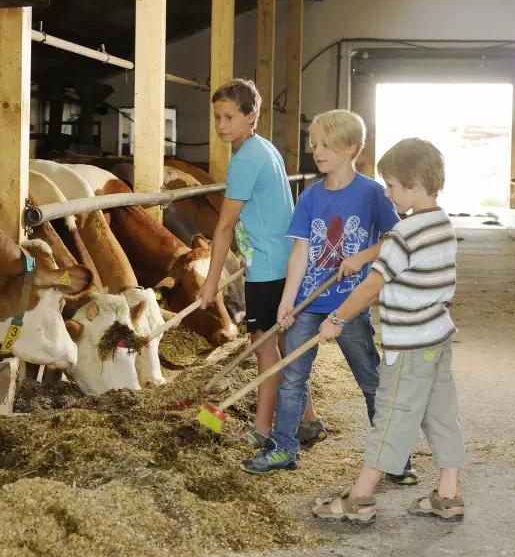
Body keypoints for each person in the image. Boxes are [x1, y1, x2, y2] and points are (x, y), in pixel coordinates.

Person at [239, 109, 415, 483]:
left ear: (350, 147)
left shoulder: (372, 193)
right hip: (308, 302)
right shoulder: (310, 196)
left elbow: (396, 239)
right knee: (292, 378)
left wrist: (362, 257)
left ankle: (394, 455)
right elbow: (300, 252)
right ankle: (284, 448)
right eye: (314, 144)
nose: (317, 152)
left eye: (325, 145)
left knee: (370, 378)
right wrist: (287, 301)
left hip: (349, 305)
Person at [311, 137, 465, 524]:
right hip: (437, 340)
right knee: (441, 414)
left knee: (392, 416)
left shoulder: (403, 234)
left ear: (415, 184)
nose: (387, 192)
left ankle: (360, 498)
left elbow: (371, 286)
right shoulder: (442, 224)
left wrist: (336, 320)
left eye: (392, 185)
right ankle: (449, 495)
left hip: (409, 347)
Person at [198, 78, 316, 447]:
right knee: (279, 343)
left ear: (251, 116)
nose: (221, 125)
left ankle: (263, 429)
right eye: (217, 117)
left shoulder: (246, 160)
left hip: (267, 266)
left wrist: (210, 283)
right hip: (283, 260)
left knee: (263, 345)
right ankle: (309, 420)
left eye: (229, 117)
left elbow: (224, 227)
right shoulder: (263, 148)